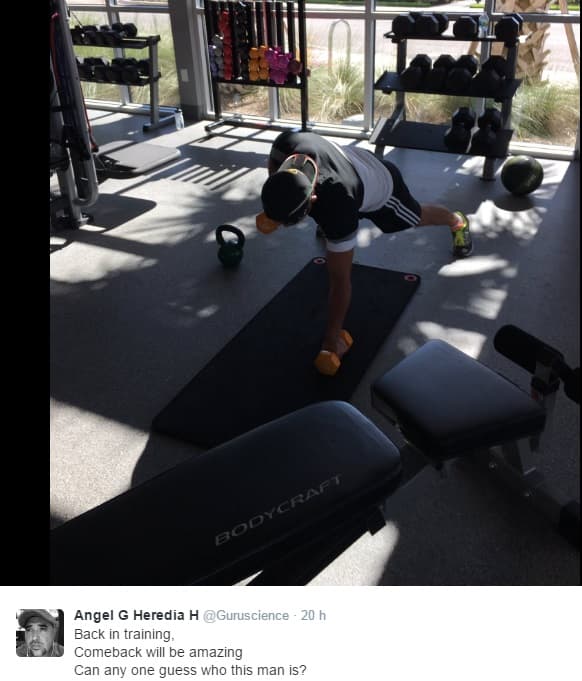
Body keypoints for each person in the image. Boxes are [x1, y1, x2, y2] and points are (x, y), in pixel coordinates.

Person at [256, 130, 473, 364]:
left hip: (382, 185)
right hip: (351, 162)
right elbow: (277, 174)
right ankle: (322, 223)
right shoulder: (286, 144)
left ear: (314, 200)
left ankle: (456, 221)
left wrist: (331, 341)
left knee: (416, 216)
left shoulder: (339, 208)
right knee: (331, 219)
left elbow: (340, 282)